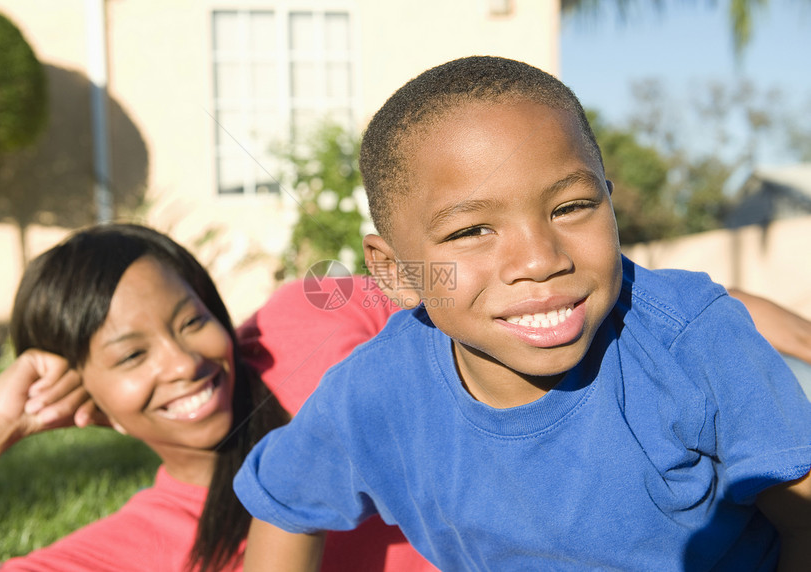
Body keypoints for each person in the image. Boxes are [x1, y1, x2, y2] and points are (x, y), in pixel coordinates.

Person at [233, 56, 811, 571]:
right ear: (398, 272)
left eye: (572, 206)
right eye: (472, 230)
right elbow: (285, 503)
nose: (539, 259)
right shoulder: (374, 395)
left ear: (609, 204)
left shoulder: (691, 340)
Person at [0, 223, 435, 571]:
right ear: (86, 398)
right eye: (132, 355)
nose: (183, 362)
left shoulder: (304, 321)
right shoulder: (142, 544)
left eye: (192, 322)